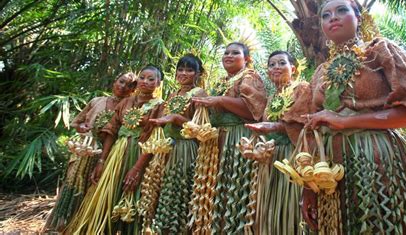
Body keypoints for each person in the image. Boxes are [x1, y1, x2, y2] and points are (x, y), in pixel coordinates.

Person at [302, 0, 406, 234]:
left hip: (377, 158)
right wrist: (308, 186)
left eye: (341, 11)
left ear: (358, 18)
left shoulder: (380, 52)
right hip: (328, 165)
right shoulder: (321, 71)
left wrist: (347, 121)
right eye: (326, 15)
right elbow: (314, 129)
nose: (333, 18)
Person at [67, 65, 163, 235]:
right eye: (142, 78)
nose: (145, 82)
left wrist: (137, 169)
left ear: (158, 83)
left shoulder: (160, 106)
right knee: (105, 196)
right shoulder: (126, 102)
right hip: (116, 154)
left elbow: (154, 139)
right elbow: (111, 132)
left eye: (151, 79)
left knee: (133, 195)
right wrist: (102, 161)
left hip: (140, 154)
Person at [44, 72, 136, 232]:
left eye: (129, 85)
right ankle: (61, 226)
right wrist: (81, 128)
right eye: (121, 82)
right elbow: (76, 122)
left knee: (93, 191)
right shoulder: (97, 101)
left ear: (133, 90)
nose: (123, 87)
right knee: (73, 185)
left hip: (108, 155)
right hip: (85, 150)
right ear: (115, 81)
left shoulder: (129, 107)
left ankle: (83, 227)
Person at [192, 42, 267, 233]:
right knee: (214, 191)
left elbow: (254, 112)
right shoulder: (221, 81)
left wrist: (221, 100)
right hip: (216, 140)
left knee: (234, 191)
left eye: (235, 53)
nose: (229, 55)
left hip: (237, 138)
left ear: (247, 59)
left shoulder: (250, 77)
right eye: (226, 52)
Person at [245, 51, 311, 235]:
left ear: (293, 69)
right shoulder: (272, 97)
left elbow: (305, 123)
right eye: (271, 64)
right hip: (272, 158)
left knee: (291, 206)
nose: (276, 68)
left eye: (281, 63)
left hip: (293, 157)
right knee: (269, 207)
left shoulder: (302, 89)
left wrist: (274, 126)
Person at [145, 54, 207, 233]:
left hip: (185, 148)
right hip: (166, 148)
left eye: (189, 70)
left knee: (177, 193)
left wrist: (176, 118)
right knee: (162, 193)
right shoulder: (173, 94)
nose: (183, 73)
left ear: (198, 74)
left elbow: (201, 129)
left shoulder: (199, 94)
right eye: (180, 69)